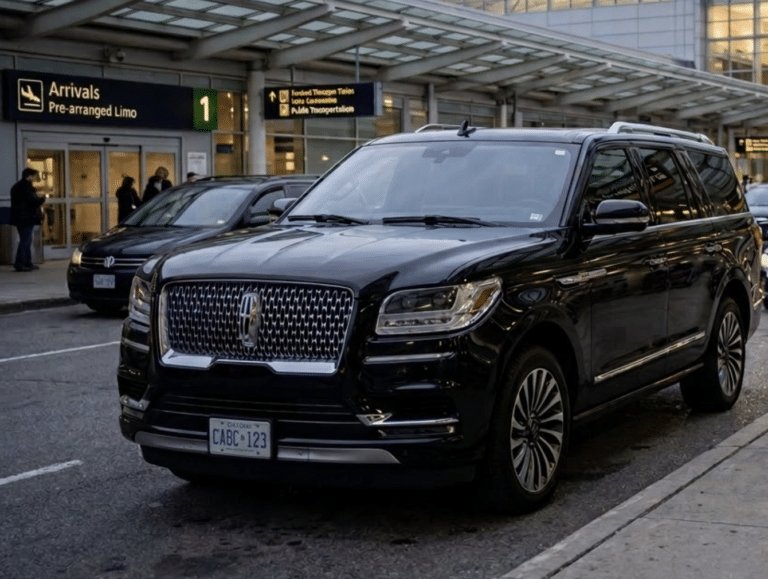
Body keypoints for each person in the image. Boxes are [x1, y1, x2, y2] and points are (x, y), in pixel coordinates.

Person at [10, 167, 45, 272]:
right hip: (26, 218)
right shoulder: (26, 188)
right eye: (34, 176)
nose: (34, 178)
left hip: (19, 218)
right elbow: (33, 202)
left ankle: (27, 262)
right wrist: (42, 199)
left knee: (26, 240)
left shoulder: (17, 187)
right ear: (28, 176)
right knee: (25, 241)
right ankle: (20, 264)